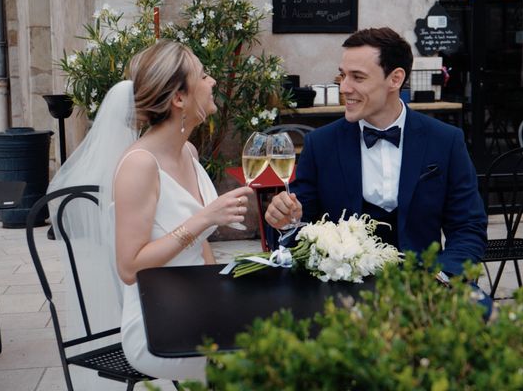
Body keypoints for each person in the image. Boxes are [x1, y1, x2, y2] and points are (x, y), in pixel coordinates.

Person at [48, 39, 253, 382]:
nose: (212, 81)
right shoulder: (139, 165)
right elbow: (129, 267)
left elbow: (201, 250)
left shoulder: (187, 151)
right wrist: (204, 217)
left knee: (280, 331)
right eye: (203, 76)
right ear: (179, 98)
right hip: (155, 325)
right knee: (265, 357)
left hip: (197, 304)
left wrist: (224, 298)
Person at [265, 27, 487, 282]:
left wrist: (444, 276)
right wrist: (284, 222)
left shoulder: (446, 141)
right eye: (342, 75)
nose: (344, 87)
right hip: (344, 289)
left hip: (426, 285)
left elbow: (468, 228)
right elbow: (296, 232)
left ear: (395, 79)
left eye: (357, 77)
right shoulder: (320, 144)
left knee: (485, 315)